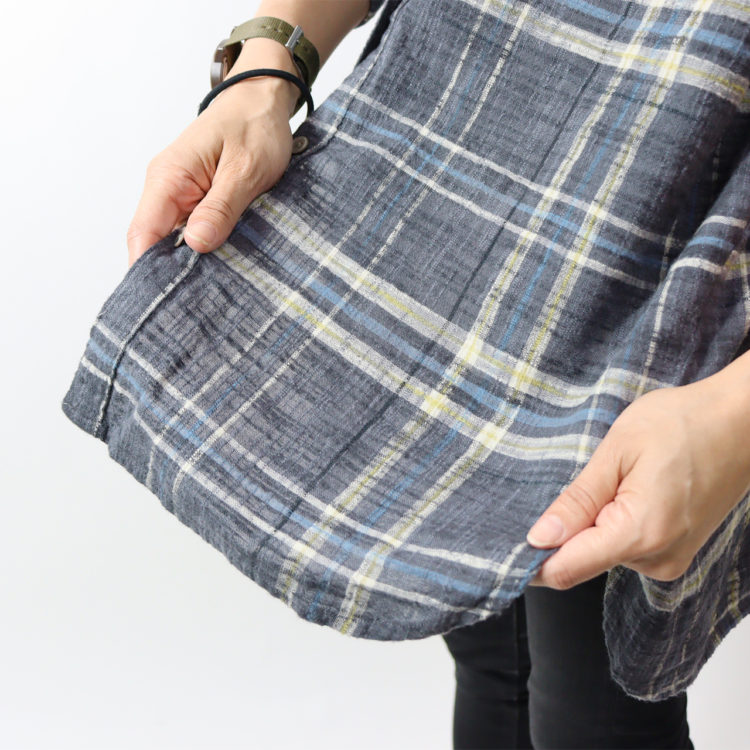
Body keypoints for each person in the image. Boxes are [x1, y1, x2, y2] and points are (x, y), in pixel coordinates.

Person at [114, 0, 749, 747]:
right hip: (441, 156)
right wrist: (263, 70)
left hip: (675, 250)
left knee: (594, 704)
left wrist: (734, 415)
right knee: (493, 656)